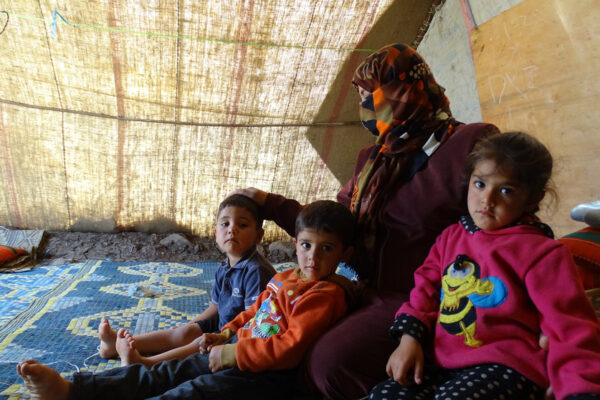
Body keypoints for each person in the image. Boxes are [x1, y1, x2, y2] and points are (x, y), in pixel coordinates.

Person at [234, 43, 500, 398]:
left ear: (404, 91)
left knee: (328, 362)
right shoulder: (374, 160)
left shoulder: (468, 144)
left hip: (426, 296)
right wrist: (271, 204)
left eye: (369, 95)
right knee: (277, 324)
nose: (364, 106)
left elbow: (496, 230)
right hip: (367, 291)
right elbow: (335, 225)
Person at [17, 200, 359, 400]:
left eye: (326, 248)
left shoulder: (324, 295)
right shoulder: (286, 277)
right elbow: (254, 312)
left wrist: (231, 351)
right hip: (233, 349)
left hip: (260, 374)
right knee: (165, 372)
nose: (312, 257)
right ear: (295, 242)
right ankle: (72, 389)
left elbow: (289, 348)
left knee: (191, 392)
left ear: (346, 253)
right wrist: (224, 335)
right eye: (305, 245)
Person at [369, 131, 600, 400]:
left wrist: (578, 390)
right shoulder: (449, 239)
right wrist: (409, 338)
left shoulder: (543, 253)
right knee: (384, 395)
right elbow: (425, 292)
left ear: (533, 199)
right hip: (440, 362)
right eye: (480, 184)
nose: (487, 200)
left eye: (505, 190)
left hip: (506, 368)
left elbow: (569, 326)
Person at [98, 194, 276, 368]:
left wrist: (219, 337)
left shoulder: (256, 271)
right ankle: (112, 345)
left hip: (243, 334)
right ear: (215, 233)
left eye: (242, 224)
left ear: (258, 235)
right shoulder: (225, 267)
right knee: (184, 332)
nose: (232, 229)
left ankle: (146, 363)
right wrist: (190, 325)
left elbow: (253, 322)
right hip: (224, 323)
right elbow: (216, 307)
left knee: (198, 342)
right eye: (225, 224)